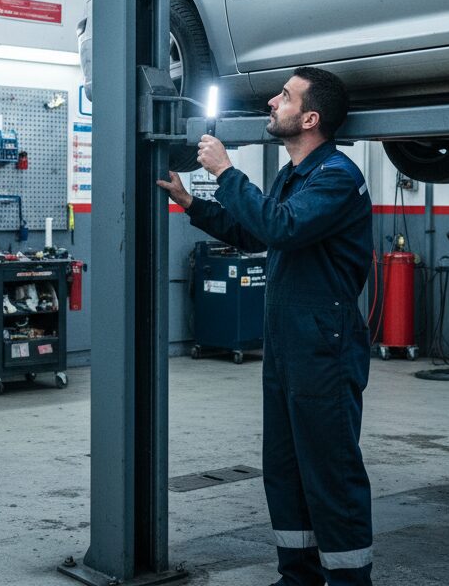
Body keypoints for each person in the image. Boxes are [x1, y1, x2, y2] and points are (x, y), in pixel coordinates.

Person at [158, 66, 374, 586]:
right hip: (285, 343)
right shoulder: (292, 175)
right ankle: (297, 576)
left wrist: (228, 174)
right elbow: (256, 233)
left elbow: (283, 226)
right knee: (284, 465)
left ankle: (348, 581)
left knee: (330, 470)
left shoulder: (338, 177)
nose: (272, 102)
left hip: (324, 343)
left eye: (285, 96)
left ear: (311, 117)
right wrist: (191, 202)